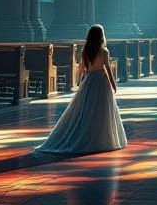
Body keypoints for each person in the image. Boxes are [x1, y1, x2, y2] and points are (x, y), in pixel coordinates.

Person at [36, 24, 127, 154]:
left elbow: (83, 70)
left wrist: (80, 84)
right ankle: (101, 138)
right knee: (102, 110)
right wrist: (113, 84)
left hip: (89, 81)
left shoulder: (86, 50)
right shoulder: (104, 52)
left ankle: (85, 134)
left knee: (86, 110)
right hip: (101, 82)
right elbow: (107, 69)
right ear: (101, 37)